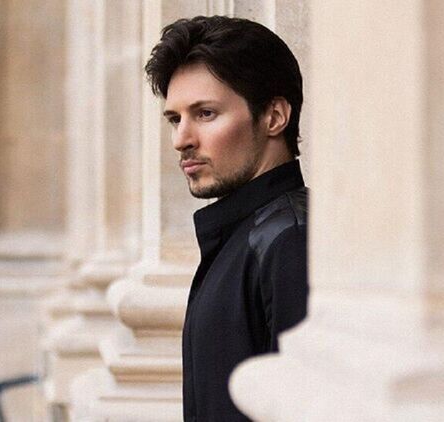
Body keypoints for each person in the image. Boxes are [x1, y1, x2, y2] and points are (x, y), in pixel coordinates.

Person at [145, 16, 308, 421]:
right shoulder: (242, 236)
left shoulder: (292, 241)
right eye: (175, 119)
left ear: (274, 117)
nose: (181, 139)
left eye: (205, 113)